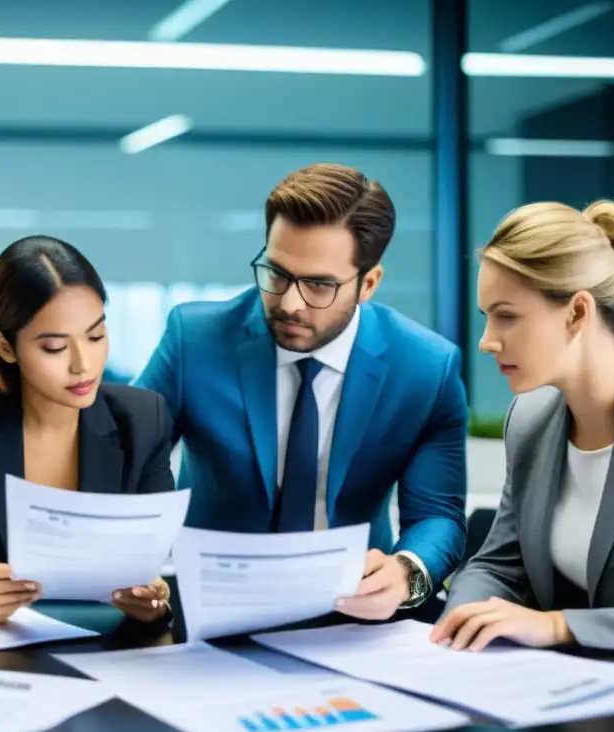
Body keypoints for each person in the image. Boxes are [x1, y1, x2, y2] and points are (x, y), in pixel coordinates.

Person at [136, 163, 468, 619]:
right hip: (211, 609)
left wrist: (406, 572)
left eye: (318, 285)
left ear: (368, 283)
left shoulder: (426, 368)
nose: (289, 303)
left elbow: (437, 513)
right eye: (276, 273)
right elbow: (125, 462)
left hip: (354, 614)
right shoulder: (194, 340)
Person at [0, 235, 174, 625]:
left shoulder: (143, 417)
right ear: (5, 348)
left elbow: (154, 559)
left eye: (96, 335)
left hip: (110, 645)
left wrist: (152, 601)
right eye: (55, 347)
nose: (83, 364)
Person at [433, 200, 614, 652]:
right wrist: (461, 619)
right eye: (486, 317)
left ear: (577, 312)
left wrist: (560, 625)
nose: (486, 341)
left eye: (507, 316)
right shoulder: (532, 420)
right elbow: (498, 566)